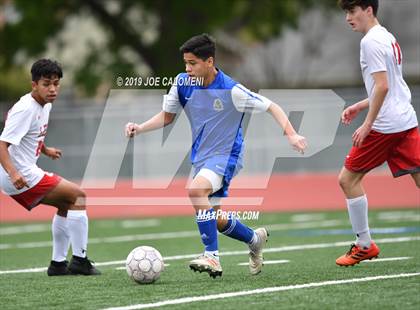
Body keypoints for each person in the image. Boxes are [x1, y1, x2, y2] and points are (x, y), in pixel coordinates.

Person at [125, 34, 307, 278]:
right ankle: (254, 239)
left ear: (209, 62)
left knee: (195, 191)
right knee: (217, 219)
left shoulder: (231, 90)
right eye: (185, 63)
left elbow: (272, 106)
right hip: (202, 157)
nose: (187, 69)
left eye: (193, 63)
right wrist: (140, 127)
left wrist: (292, 134)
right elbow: (167, 117)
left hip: (227, 155)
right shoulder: (181, 83)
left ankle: (212, 256)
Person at [336, 0, 419, 266]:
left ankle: (363, 245)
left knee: (347, 180)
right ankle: (363, 244)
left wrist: (367, 124)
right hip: (405, 120)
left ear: (368, 9)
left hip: (385, 126)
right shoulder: (386, 36)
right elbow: (391, 86)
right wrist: (360, 106)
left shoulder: (370, 42)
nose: (348, 18)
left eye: (352, 11)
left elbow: (382, 87)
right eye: (346, 12)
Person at [0, 59, 100, 276]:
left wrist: (45, 150)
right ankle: (80, 261)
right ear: (34, 84)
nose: (52, 89)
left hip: (21, 172)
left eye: (56, 83)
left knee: (66, 203)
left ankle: (58, 264)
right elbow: (2, 144)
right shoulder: (25, 108)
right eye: (47, 84)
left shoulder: (44, 104)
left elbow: (30, 134)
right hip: (18, 174)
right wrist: (14, 172)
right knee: (78, 196)